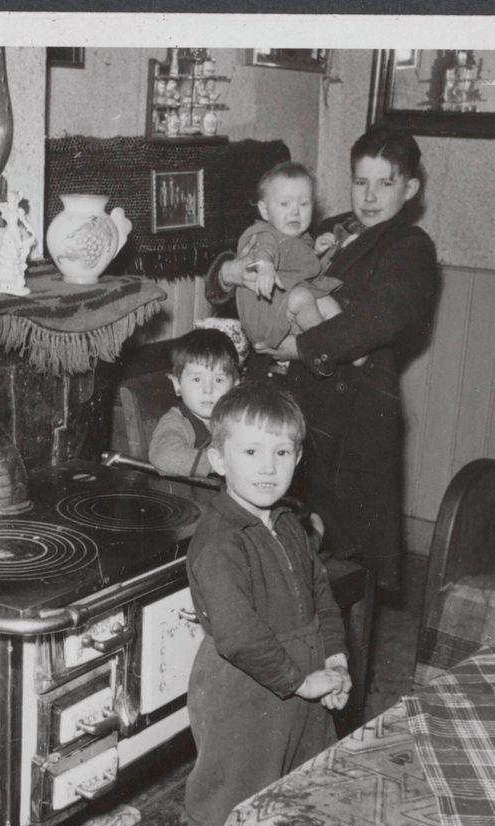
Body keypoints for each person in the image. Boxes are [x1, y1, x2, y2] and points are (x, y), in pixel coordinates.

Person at [206, 129, 441, 592]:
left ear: (410, 189)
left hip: (348, 413)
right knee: (264, 538)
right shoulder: (321, 225)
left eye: (385, 183)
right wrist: (228, 271)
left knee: (331, 557)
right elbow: (254, 254)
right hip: (290, 397)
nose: (369, 196)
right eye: (360, 182)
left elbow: (381, 320)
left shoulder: (410, 247)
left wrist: (299, 348)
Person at [182, 382, 350, 826]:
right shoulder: (220, 542)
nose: (268, 466)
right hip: (243, 688)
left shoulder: (289, 523)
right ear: (218, 460)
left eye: (282, 452)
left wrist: (335, 657)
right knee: (232, 789)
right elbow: (237, 636)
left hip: (305, 675)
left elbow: (321, 592)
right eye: (251, 450)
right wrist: (299, 681)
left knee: (307, 775)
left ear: (298, 460)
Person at [227, 161, 344, 356]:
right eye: (284, 203)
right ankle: (325, 348)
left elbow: (300, 267)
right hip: (265, 315)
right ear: (265, 211)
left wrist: (316, 253)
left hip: (287, 310)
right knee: (302, 297)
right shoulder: (263, 232)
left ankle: (352, 352)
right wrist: (265, 266)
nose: (295, 211)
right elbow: (265, 250)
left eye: (304, 203)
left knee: (328, 302)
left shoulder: (301, 239)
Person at [147, 327, 241, 479]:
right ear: (178, 384)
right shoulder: (176, 421)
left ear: (235, 387)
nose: (208, 389)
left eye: (218, 380)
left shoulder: (236, 419)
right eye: (197, 379)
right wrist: (222, 463)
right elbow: (164, 456)